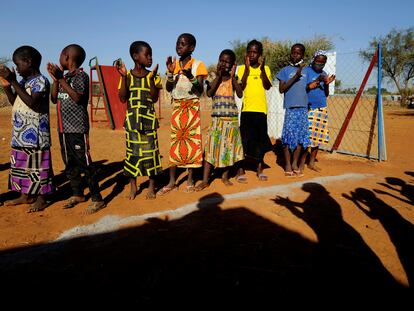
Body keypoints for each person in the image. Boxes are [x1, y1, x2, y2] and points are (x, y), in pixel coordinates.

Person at [47, 44, 105, 214]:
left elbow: (78, 98)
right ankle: (77, 193)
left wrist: (62, 79)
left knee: (85, 164)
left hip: (77, 128)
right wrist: (56, 79)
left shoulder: (81, 76)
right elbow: (53, 99)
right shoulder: (64, 77)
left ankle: (97, 198)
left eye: (60, 56)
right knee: (69, 163)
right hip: (63, 129)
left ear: (67, 57)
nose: (59, 60)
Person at [0, 46, 54, 212]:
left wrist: (14, 81)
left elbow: (32, 102)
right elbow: (16, 101)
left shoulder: (41, 81)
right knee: (22, 167)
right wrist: (8, 86)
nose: (16, 68)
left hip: (36, 135)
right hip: (20, 134)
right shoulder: (24, 82)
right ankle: (26, 195)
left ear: (28, 62)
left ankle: (41, 198)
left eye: (18, 64)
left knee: (38, 167)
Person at [160, 33, 208, 194]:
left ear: (192, 47)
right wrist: (170, 73)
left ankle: (190, 179)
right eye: (177, 43)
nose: (179, 46)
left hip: (192, 107)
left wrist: (191, 77)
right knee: (176, 143)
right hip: (178, 107)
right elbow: (168, 88)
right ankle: (172, 181)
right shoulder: (175, 65)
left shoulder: (198, 65)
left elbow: (200, 90)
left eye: (182, 44)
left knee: (192, 144)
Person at [116, 41, 163, 200]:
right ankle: (133, 186)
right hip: (132, 122)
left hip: (149, 121)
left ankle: (151, 186)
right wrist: (123, 77)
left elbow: (155, 98)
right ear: (136, 57)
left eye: (151, 54)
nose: (150, 58)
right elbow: (122, 98)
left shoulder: (153, 76)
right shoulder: (127, 76)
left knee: (151, 154)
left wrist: (151, 79)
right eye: (147, 54)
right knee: (132, 154)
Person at [194, 49, 244, 191]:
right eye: (221, 60)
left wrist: (233, 77)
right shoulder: (212, 77)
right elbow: (209, 93)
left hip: (231, 121)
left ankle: (225, 176)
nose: (223, 63)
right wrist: (218, 76)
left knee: (228, 149)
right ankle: (205, 180)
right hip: (217, 120)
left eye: (227, 62)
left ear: (233, 65)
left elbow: (240, 94)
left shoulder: (235, 79)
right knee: (211, 149)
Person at [237, 39, 273, 182]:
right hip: (247, 110)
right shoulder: (241, 69)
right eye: (249, 52)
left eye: (255, 52)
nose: (252, 54)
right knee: (244, 141)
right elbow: (242, 86)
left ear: (260, 54)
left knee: (259, 141)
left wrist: (263, 69)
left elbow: (267, 86)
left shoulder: (266, 69)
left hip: (260, 110)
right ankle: (240, 169)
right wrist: (246, 69)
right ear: (246, 53)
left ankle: (259, 169)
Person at [276, 43, 310, 177]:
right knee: (288, 138)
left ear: (303, 55)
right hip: (291, 109)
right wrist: (295, 77)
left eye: (298, 53)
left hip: (303, 109)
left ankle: (295, 163)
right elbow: (281, 89)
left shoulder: (307, 71)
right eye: (293, 53)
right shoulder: (285, 70)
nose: (295, 55)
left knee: (300, 139)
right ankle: (288, 164)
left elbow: (308, 88)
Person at [306, 50, 335, 171]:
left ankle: (311, 162)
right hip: (308, 107)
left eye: (323, 62)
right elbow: (303, 89)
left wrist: (327, 84)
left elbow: (326, 94)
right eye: (318, 61)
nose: (320, 64)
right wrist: (317, 80)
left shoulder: (324, 73)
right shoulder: (306, 71)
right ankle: (299, 161)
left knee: (317, 138)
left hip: (321, 107)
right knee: (305, 137)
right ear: (313, 60)